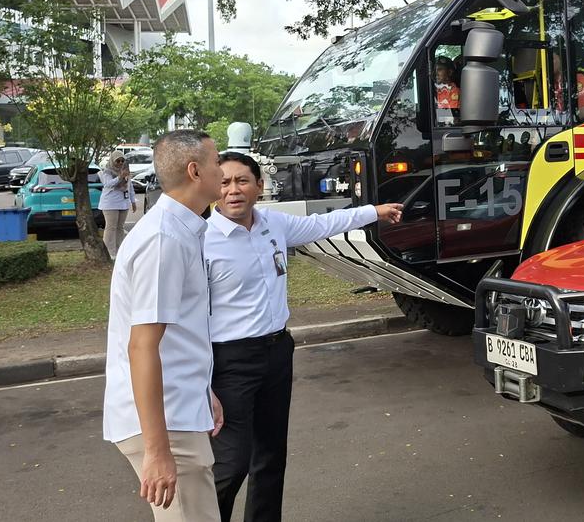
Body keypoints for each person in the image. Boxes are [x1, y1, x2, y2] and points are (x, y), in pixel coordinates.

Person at [204, 152, 403, 522]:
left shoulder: (273, 225)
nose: (233, 190)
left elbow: (323, 224)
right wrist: (202, 381)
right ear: (213, 189)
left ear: (259, 187)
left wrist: (373, 211)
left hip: (277, 351)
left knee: (270, 456)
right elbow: (189, 318)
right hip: (229, 362)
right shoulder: (202, 241)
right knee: (231, 463)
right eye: (224, 182)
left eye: (242, 181)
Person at [103, 129, 225, 522]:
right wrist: (158, 451)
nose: (222, 170)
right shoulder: (164, 239)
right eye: (217, 161)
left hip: (177, 409)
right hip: (165, 424)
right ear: (195, 171)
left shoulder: (180, 229)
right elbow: (141, 346)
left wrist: (201, 389)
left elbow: (177, 337)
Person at [99, 150, 138, 259]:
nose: (120, 163)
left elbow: (130, 187)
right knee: (111, 227)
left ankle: (119, 249)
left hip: (123, 203)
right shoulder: (107, 172)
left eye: (122, 161)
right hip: (110, 204)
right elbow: (108, 184)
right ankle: (109, 251)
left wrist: (133, 201)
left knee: (120, 227)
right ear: (112, 161)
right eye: (118, 161)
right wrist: (120, 177)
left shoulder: (126, 171)